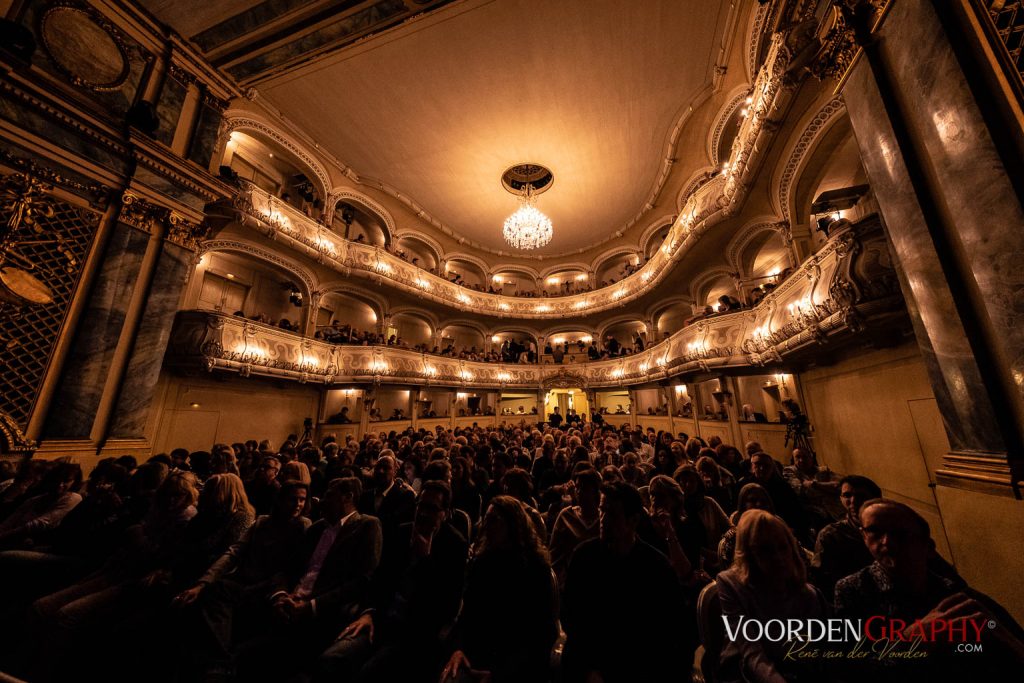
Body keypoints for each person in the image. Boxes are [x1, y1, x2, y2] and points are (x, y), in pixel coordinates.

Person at [836, 499, 1024, 681]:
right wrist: (910, 640)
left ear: (928, 547)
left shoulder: (953, 592)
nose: (887, 541)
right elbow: (853, 671)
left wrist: (1007, 640)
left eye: (900, 534)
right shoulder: (854, 590)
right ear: (863, 536)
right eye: (875, 532)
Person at [234, 477, 383, 680]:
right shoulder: (316, 528)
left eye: (330, 495)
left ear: (348, 498)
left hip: (321, 613)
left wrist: (311, 605)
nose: (321, 500)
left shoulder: (367, 526)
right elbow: (287, 569)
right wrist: (280, 595)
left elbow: (362, 580)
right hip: (288, 602)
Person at [319, 481, 468, 682]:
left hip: (413, 633)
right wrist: (369, 612)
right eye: (420, 506)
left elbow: (446, 606)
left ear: (446, 513)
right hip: (380, 619)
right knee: (332, 657)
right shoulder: (401, 532)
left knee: (369, 672)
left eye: (432, 509)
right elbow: (378, 580)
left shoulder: (454, 545)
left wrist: (425, 560)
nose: (423, 513)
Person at [562, 481, 691, 681]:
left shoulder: (656, 567)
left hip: (641, 664)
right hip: (593, 660)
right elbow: (572, 617)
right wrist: (590, 668)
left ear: (633, 521)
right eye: (602, 511)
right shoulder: (584, 557)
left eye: (612, 514)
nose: (603, 519)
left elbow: (672, 629)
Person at [440, 496, 557, 682]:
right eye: (486, 520)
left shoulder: (536, 570)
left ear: (513, 525)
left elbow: (543, 633)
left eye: (494, 521)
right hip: (477, 654)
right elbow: (467, 616)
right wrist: (458, 649)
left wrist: (499, 674)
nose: (486, 527)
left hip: (515, 664)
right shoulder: (483, 563)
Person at [716, 510, 831, 683]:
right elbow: (751, 652)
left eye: (783, 547)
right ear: (749, 554)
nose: (778, 557)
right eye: (765, 550)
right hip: (746, 672)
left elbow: (822, 653)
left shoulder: (810, 594)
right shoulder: (731, 584)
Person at [811, 474, 881, 596]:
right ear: (841, 499)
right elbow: (822, 577)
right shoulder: (831, 535)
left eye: (861, 496)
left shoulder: (892, 528)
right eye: (847, 495)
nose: (853, 501)